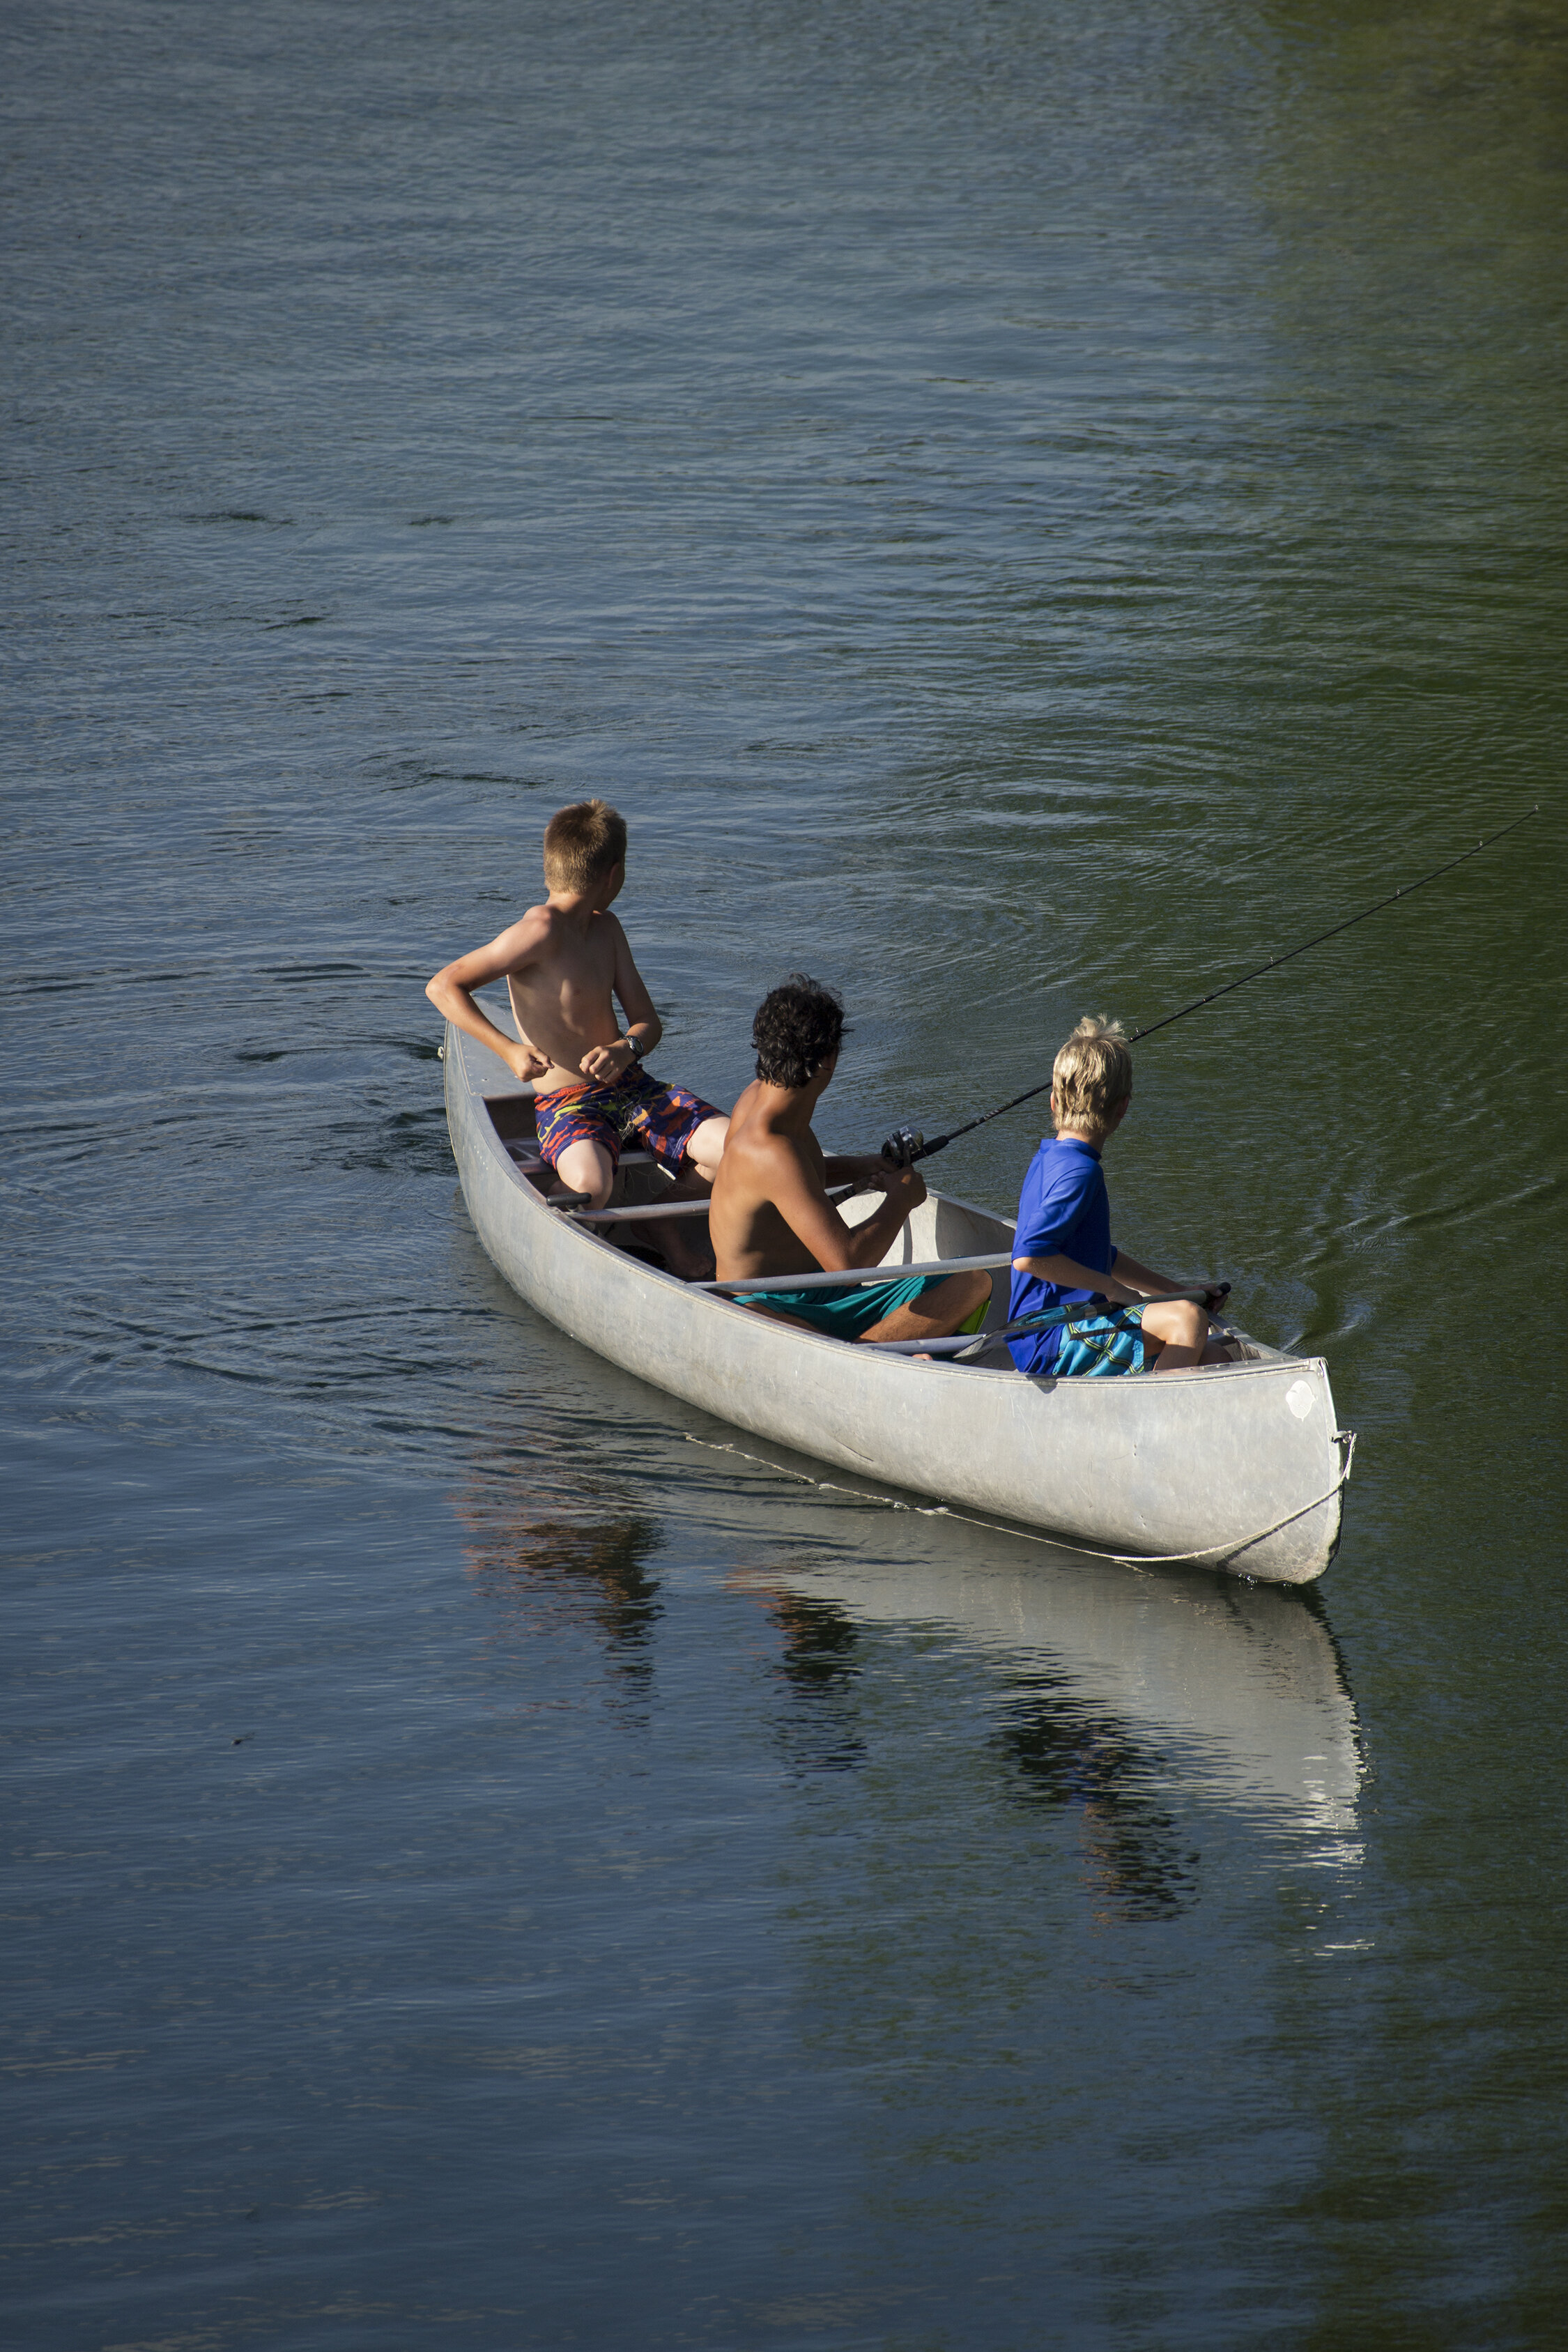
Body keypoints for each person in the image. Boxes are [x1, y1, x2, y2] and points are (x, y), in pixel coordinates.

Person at [425, 801, 729, 1233]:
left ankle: (660, 1226)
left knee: (740, 1151)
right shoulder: (539, 930)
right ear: (615, 874)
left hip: (634, 1089)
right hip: (569, 1104)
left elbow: (648, 1022)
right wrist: (509, 1050)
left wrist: (626, 1048)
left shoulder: (607, 929)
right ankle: (581, 1228)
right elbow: (443, 986)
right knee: (592, 1185)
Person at [709, 974, 992, 1345]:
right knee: (973, 1283)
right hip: (769, 1307)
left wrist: (866, 1165)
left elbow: (792, 1184)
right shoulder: (770, 1149)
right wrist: (901, 1200)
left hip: (812, 1294)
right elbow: (845, 1265)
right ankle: (864, 1355)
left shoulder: (759, 1099)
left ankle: (882, 1346)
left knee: (969, 1281)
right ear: (827, 1059)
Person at [1008, 1016, 1230, 1377]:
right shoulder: (1081, 1172)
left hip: (1062, 1328)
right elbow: (1029, 1256)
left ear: (1052, 1101)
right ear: (1122, 1107)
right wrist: (1112, 1289)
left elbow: (1095, 1255)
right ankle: (1150, 1420)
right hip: (1050, 1338)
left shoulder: (1052, 1157)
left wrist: (1178, 1291)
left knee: (1215, 1360)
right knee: (1188, 1321)